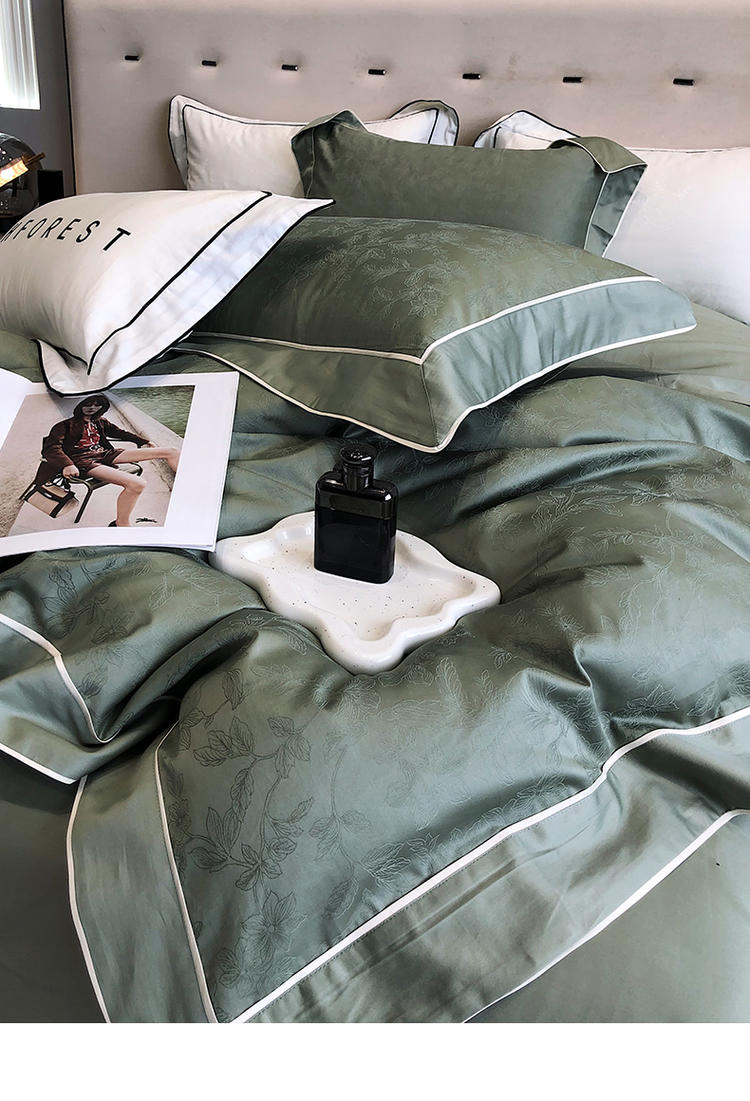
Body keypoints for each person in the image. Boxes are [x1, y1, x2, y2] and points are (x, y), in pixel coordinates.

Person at [38, 394, 181, 527]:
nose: (92, 408)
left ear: (102, 407)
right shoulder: (64, 425)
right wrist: (67, 464)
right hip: (82, 461)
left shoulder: (100, 422)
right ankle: (121, 523)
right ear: (81, 405)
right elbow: (51, 448)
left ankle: (185, 489)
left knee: (172, 451)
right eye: (88, 404)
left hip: (104, 454)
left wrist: (143, 441)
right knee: (137, 483)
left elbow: (119, 433)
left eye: (96, 405)